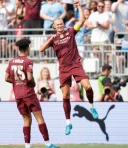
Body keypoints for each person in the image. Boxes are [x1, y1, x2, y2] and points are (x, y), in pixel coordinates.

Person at [39, 0, 99, 136]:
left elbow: (81, 21)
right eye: (57, 25)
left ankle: (92, 107)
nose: (60, 26)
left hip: (75, 64)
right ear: (54, 27)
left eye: (61, 24)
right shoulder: (52, 38)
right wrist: (50, 39)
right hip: (64, 68)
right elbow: (41, 49)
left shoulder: (70, 32)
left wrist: (78, 7)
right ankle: (68, 123)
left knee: (88, 87)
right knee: (65, 95)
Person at [5, 38, 60, 148]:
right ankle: (48, 144)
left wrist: (17, 82)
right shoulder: (28, 61)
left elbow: (6, 78)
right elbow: (29, 78)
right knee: (39, 117)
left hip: (18, 94)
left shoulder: (12, 61)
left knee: (26, 120)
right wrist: (33, 83)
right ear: (27, 48)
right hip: (28, 93)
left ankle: (27, 147)